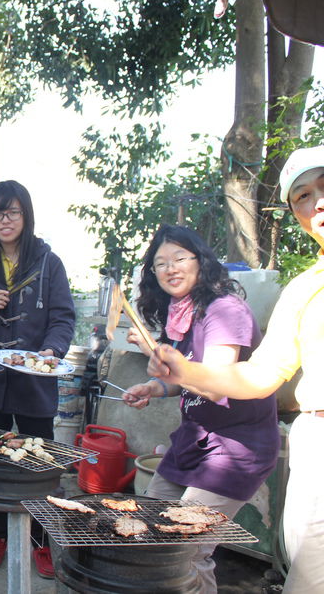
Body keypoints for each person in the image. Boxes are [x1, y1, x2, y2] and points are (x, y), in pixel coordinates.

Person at [148, 145, 324, 594]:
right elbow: (259, 376)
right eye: (303, 196)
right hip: (319, 445)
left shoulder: (224, 309)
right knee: (313, 585)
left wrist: (185, 372)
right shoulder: (303, 288)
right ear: (296, 214)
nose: (320, 201)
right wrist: (179, 374)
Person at [119, 225, 278, 594]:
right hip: (193, 441)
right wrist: (155, 387)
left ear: (200, 261)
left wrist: (154, 353)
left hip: (235, 449)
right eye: (161, 263)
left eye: (179, 258)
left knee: (186, 549)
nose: (170, 268)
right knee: (150, 528)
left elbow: (214, 381)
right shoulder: (181, 314)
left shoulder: (225, 310)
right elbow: (185, 376)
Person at [0, 180, 76, 579]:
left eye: (13, 212)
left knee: (40, 461)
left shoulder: (48, 262)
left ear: (26, 215)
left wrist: (51, 350)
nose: (5, 220)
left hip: (34, 379)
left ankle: (41, 541)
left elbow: (63, 317)